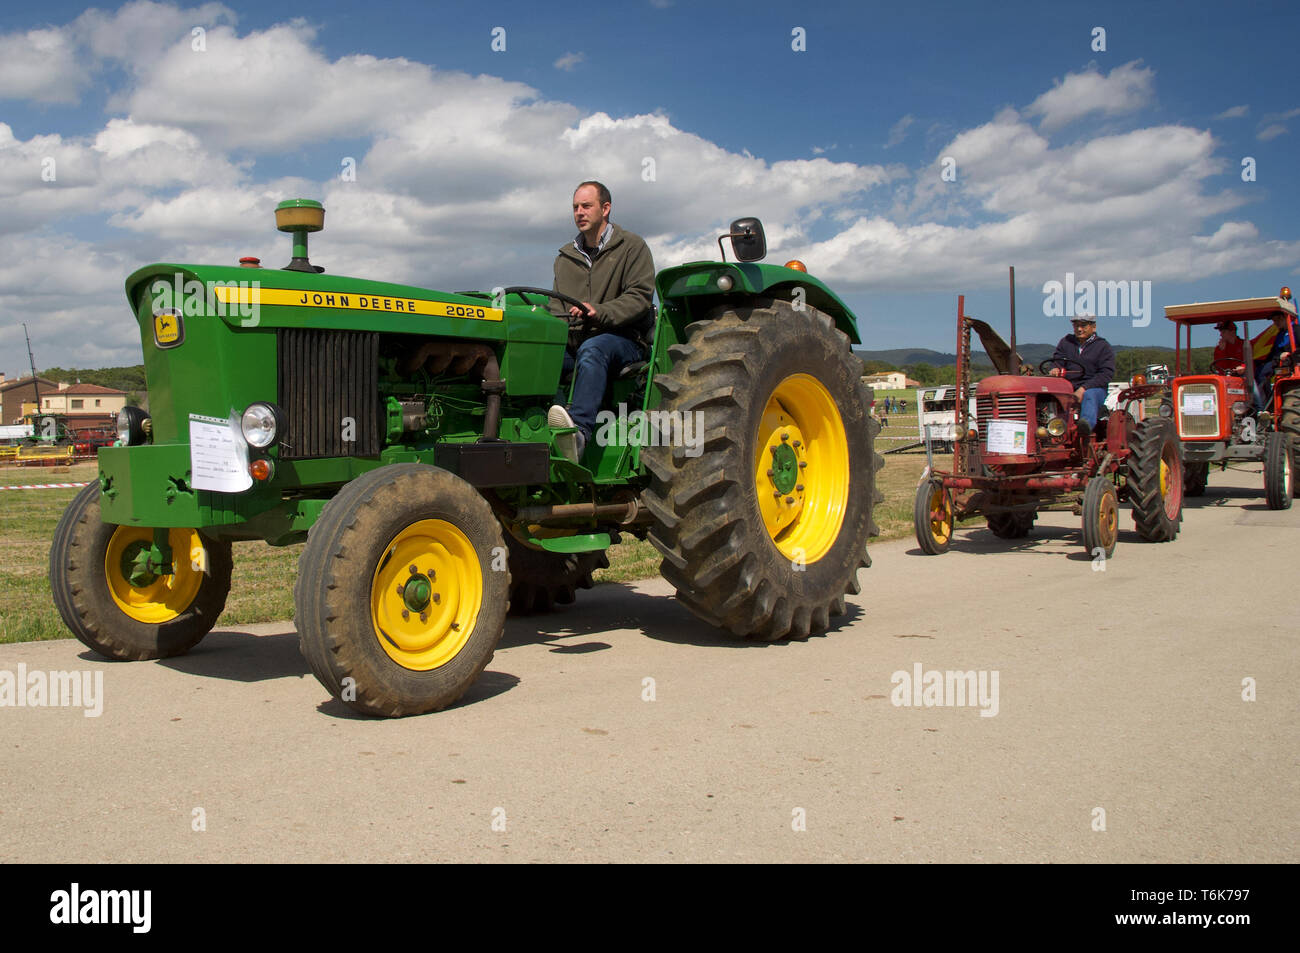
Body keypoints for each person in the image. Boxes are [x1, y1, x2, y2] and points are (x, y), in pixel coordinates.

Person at [547, 181, 656, 463]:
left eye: (586, 206)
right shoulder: (564, 258)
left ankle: (579, 434)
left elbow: (640, 297)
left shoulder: (631, 247)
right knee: (540, 357)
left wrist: (600, 311)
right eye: (575, 207)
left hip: (624, 339)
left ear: (605, 208)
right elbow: (556, 305)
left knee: (594, 349)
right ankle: (542, 422)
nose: (579, 213)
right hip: (577, 341)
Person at [1047, 313, 1115, 436]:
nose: (1079, 329)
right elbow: (1057, 361)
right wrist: (1055, 369)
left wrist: (1083, 389)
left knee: (1090, 395)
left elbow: (1105, 374)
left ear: (1093, 327)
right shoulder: (1066, 342)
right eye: (1076, 326)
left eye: (1083, 326)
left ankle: (1085, 426)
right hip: (1068, 386)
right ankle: (1052, 427)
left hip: (1094, 388)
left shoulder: (1103, 346)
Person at [1252, 310, 1295, 411]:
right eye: (1274, 320)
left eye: (1278, 319)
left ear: (1285, 318)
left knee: (1261, 373)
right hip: (1277, 362)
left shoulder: (1295, 330)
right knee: (1257, 370)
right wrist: (1260, 361)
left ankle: (1265, 404)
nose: (1276, 322)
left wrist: (1290, 354)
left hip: (1291, 362)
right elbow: (1273, 353)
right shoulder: (1280, 334)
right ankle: (1263, 402)